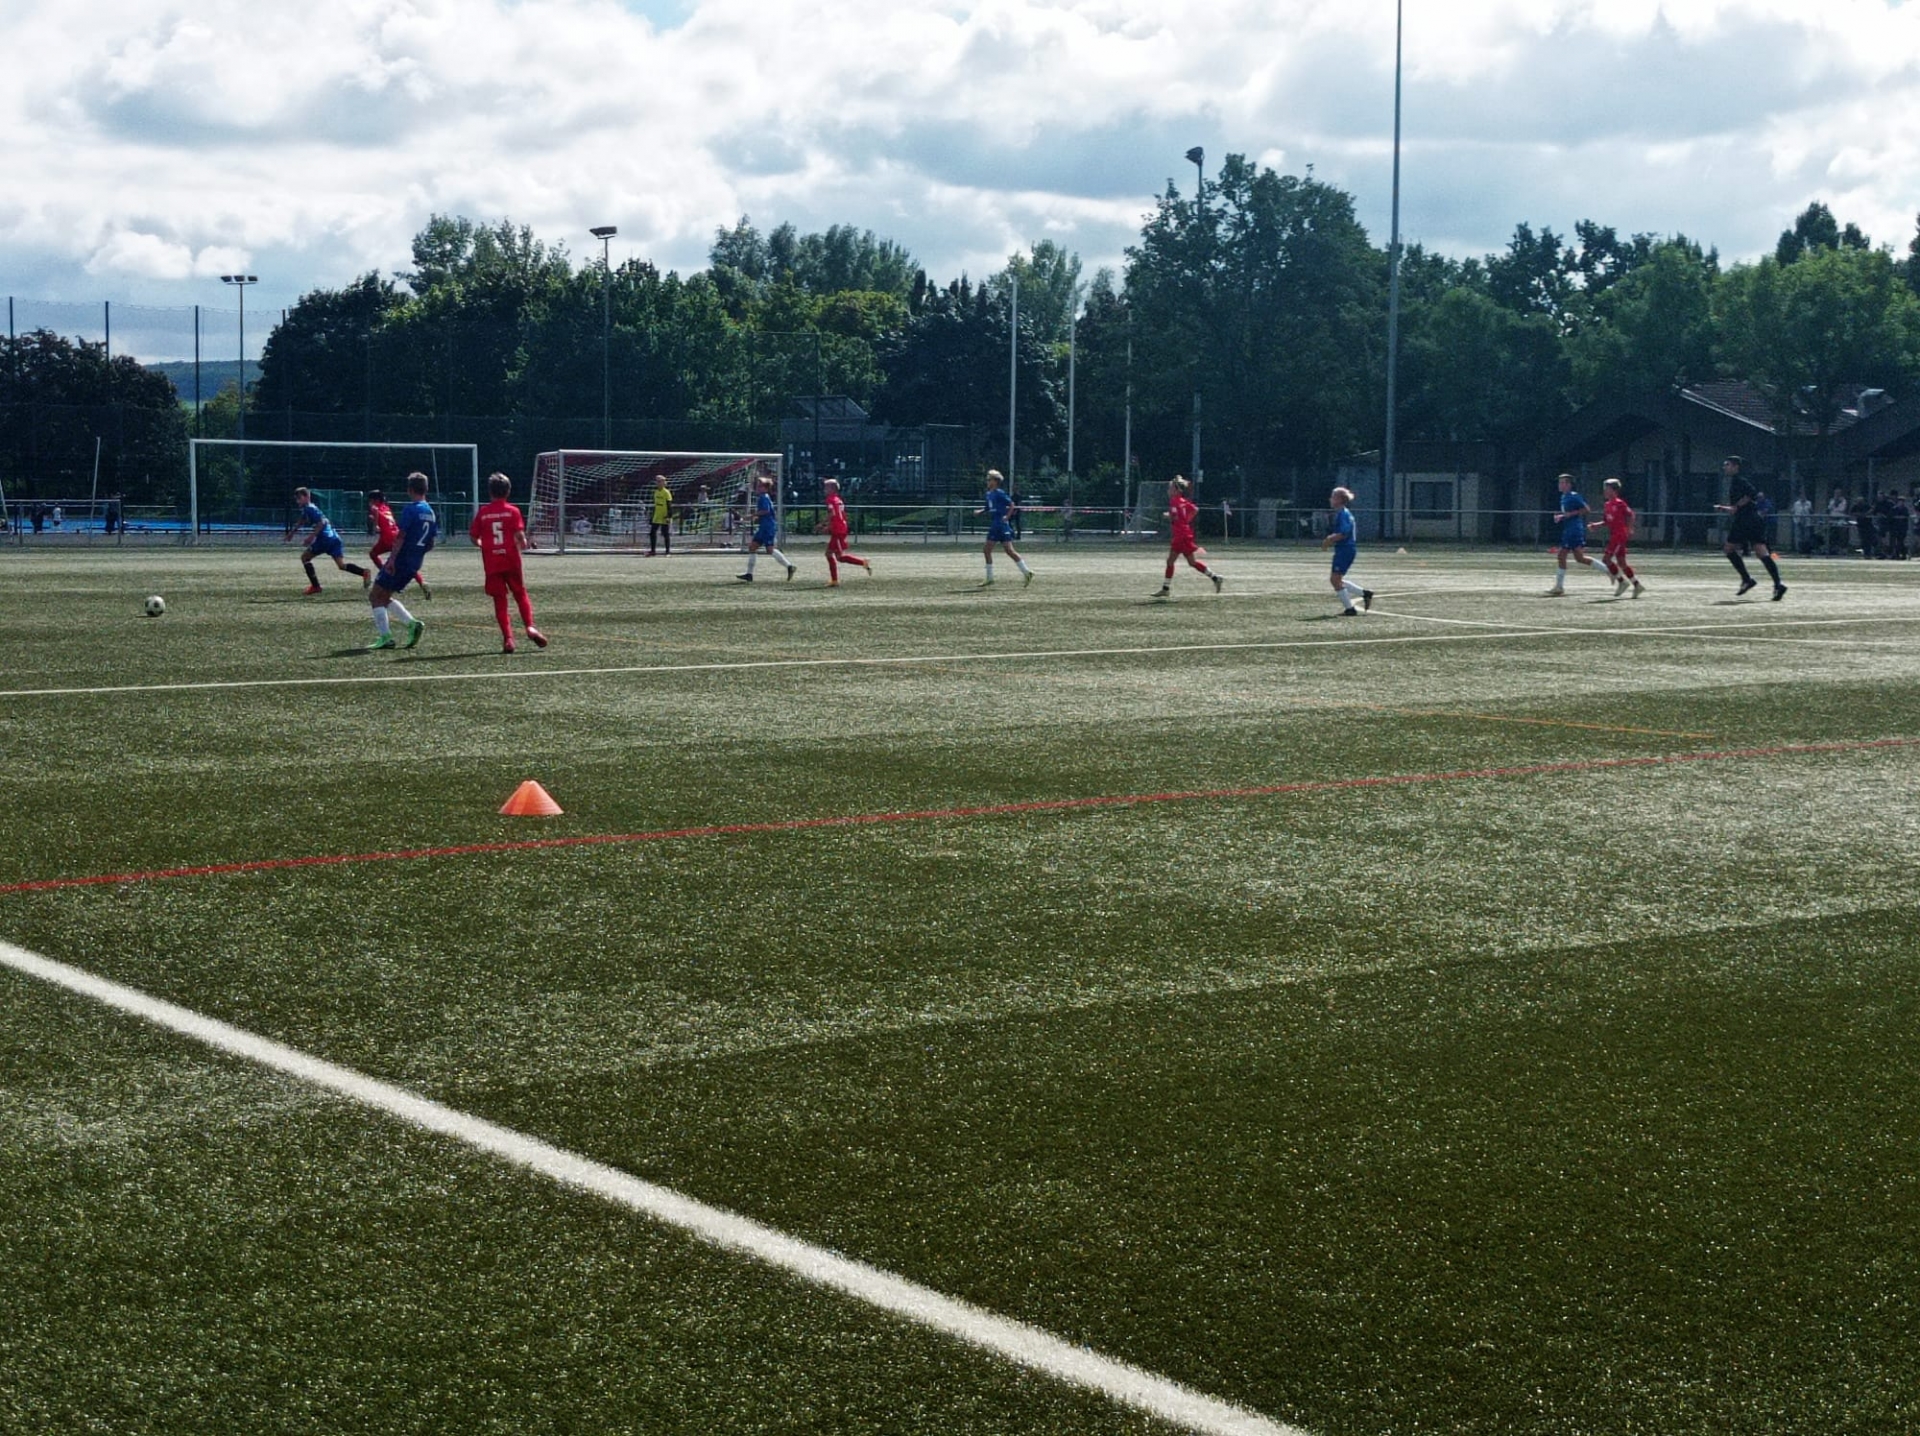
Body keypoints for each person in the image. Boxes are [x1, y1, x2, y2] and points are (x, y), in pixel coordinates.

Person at [470, 472, 548, 654]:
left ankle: (508, 639)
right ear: (508, 491)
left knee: (500, 600)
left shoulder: (483, 513)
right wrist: (524, 543)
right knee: (520, 593)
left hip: (492, 562)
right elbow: (520, 535)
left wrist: (483, 545)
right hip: (511, 560)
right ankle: (530, 626)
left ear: (490, 492)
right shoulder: (513, 511)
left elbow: (473, 537)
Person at [366, 472, 436, 649]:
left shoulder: (411, 509)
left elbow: (401, 536)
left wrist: (391, 560)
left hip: (401, 560)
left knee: (375, 596)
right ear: (426, 489)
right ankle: (411, 625)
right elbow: (430, 543)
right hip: (414, 563)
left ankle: (388, 636)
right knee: (384, 596)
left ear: (409, 489)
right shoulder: (431, 512)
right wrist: (416, 553)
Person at [1716, 455, 1785, 599]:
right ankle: (1778, 585)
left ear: (1736, 467)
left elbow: (1752, 494)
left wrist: (1737, 506)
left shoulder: (1740, 480)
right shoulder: (1737, 480)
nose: (1725, 467)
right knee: (1762, 553)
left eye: (1727, 465)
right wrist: (1726, 508)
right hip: (1753, 519)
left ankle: (1747, 579)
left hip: (1745, 520)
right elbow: (1740, 505)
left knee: (1729, 549)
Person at [285, 487, 371, 594]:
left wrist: (311, 536)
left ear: (307, 497)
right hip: (334, 538)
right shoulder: (309, 509)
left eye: (299, 498)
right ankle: (364, 572)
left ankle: (316, 587)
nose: (298, 501)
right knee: (341, 565)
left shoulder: (309, 508)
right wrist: (292, 533)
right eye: (296, 499)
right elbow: (301, 521)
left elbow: (322, 522)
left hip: (324, 539)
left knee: (305, 558)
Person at [1152, 476, 1224, 598]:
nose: (1168, 490)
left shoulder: (1174, 501)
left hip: (1180, 535)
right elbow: (1195, 509)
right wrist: (1186, 521)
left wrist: (1167, 515)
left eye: (1170, 488)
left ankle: (1165, 589)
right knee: (1192, 562)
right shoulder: (1183, 500)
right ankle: (1215, 578)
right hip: (1185, 533)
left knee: (1171, 561)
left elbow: (1175, 517)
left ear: (1177, 490)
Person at [1545, 474, 1610, 595]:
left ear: (1568, 484)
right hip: (1570, 529)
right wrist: (1561, 516)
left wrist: (1569, 514)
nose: (1560, 485)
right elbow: (1569, 513)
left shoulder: (1573, 496)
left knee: (1561, 555)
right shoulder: (1564, 496)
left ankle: (1559, 587)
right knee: (1580, 558)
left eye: (1562, 482)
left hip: (1574, 530)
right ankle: (1609, 571)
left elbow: (1586, 509)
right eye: (1559, 482)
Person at [367, 489, 431, 599]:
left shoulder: (375, 507)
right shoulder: (386, 508)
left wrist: (375, 524)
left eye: (370, 500)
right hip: (393, 535)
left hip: (387, 538)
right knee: (404, 562)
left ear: (375, 500)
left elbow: (375, 510)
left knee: (378, 556)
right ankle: (421, 582)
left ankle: (385, 575)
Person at [976, 469, 1032, 585]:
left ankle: (990, 578)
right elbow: (988, 507)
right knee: (1009, 551)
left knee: (987, 550)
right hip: (998, 524)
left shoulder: (999, 493)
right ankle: (1026, 572)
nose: (987, 481)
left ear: (995, 481)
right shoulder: (989, 494)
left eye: (989, 479)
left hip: (999, 525)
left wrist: (1007, 516)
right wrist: (980, 511)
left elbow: (1012, 504)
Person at [737, 475, 796, 581]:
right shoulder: (763, 497)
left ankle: (789, 566)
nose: (757, 488)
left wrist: (752, 515)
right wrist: (755, 517)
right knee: (752, 547)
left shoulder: (764, 497)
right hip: (764, 527)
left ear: (765, 488)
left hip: (768, 527)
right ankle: (749, 574)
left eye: (760, 486)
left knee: (769, 550)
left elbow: (766, 511)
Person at [1594, 477, 1645, 597]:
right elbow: (1607, 521)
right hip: (1614, 535)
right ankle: (1637, 585)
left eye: (1607, 488)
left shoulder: (1619, 503)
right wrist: (1596, 525)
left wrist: (1630, 528)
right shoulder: (1607, 505)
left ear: (1614, 490)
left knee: (1606, 559)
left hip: (1619, 535)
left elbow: (1631, 514)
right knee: (1622, 563)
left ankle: (1622, 582)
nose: (1604, 491)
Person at [821, 477, 870, 585]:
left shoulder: (830, 499)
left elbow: (832, 514)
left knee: (835, 556)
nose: (824, 490)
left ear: (832, 489)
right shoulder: (838, 499)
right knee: (835, 556)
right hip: (840, 528)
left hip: (838, 530)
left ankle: (835, 580)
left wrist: (823, 525)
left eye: (826, 487)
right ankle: (835, 579)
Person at [648, 476, 672, 556]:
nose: (658, 483)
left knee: (665, 533)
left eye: (660, 481)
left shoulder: (666, 492)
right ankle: (653, 551)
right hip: (657, 515)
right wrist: (652, 516)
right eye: (657, 481)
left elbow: (669, 505)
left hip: (664, 515)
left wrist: (669, 516)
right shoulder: (656, 492)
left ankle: (668, 552)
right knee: (652, 533)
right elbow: (655, 505)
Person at [1790, 491, 1814, 555]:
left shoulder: (1809, 503)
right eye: (1801, 496)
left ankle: (1806, 549)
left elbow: (1811, 511)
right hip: (1798, 521)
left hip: (1807, 522)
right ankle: (1798, 550)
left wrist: (1811, 511)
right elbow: (1792, 511)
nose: (1803, 497)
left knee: (1807, 536)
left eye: (1804, 496)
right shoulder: (1796, 503)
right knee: (1798, 536)